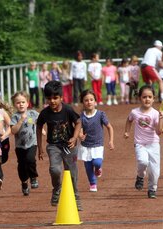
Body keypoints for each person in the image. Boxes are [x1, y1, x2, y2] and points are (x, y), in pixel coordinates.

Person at [36, 80, 82, 211]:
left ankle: (76, 197)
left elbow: (78, 122)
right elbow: (39, 127)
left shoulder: (67, 109)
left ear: (61, 97)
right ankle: (57, 189)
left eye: (55, 98)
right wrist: (39, 147)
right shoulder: (45, 113)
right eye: (49, 98)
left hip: (69, 145)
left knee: (72, 172)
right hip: (53, 146)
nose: (52, 101)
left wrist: (74, 137)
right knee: (55, 170)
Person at [124, 85, 163, 199]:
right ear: (139, 98)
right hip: (140, 143)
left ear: (153, 98)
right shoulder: (135, 112)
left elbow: (159, 132)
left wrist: (161, 119)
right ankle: (140, 176)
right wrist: (127, 131)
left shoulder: (156, 114)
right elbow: (129, 120)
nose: (147, 99)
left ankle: (152, 189)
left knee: (155, 171)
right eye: (144, 97)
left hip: (154, 144)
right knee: (142, 162)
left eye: (150, 97)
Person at [78, 90, 114, 192]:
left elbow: (109, 127)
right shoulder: (81, 116)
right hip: (85, 146)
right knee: (88, 166)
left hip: (98, 144)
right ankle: (93, 183)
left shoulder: (100, 114)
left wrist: (111, 141)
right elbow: (79, 129)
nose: (89, 102)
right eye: (86, 100)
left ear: (95, 102)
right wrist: (80, 135)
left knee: (97, 162)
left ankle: (98, 168)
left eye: (91, 100)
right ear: (83, 102)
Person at [10, 91, 40, 196]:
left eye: (23, 102)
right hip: (20, 146)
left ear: (28, 103)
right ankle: (24, 182)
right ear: (14, 105)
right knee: (22, 165)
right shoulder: (15, 117)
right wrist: (21, 121)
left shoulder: (33, 113)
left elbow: (40, 121)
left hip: (32, 143)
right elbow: (13, 131)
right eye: (18, 102)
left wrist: (42, 130)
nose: (21, 104)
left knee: (30, 159)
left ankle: (33, 177)